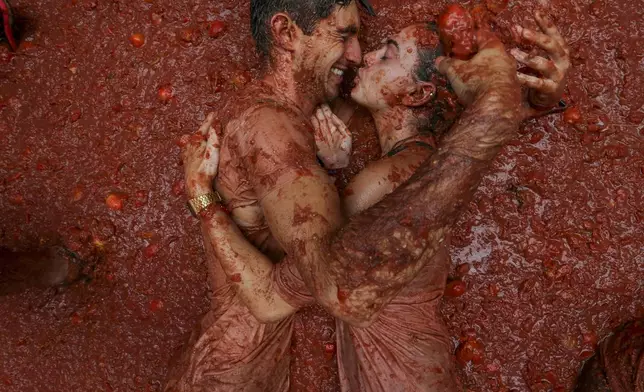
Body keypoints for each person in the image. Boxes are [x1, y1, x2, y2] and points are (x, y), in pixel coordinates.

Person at [166, 0, 569, 390]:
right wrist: (513, 104)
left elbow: (280, 292)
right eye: (346, 35)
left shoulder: (384, 162)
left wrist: (530, 98)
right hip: (233, 368)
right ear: (287, 32)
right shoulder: (278, 130)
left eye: (384, 52)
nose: (361, 55)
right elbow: (301, 286)